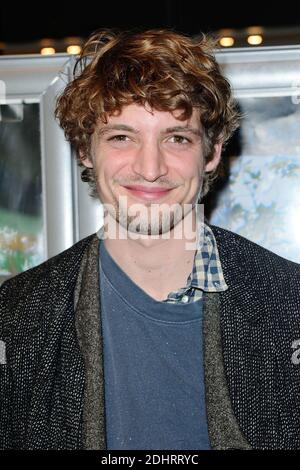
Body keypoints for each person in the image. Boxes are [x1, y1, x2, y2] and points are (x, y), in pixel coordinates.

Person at [1, 28, 300, 451]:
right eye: (122, 137)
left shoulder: (290, 304)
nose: (150, 167)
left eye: (176, 138)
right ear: (86, 150)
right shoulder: (16, 319)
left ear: (212, 152)